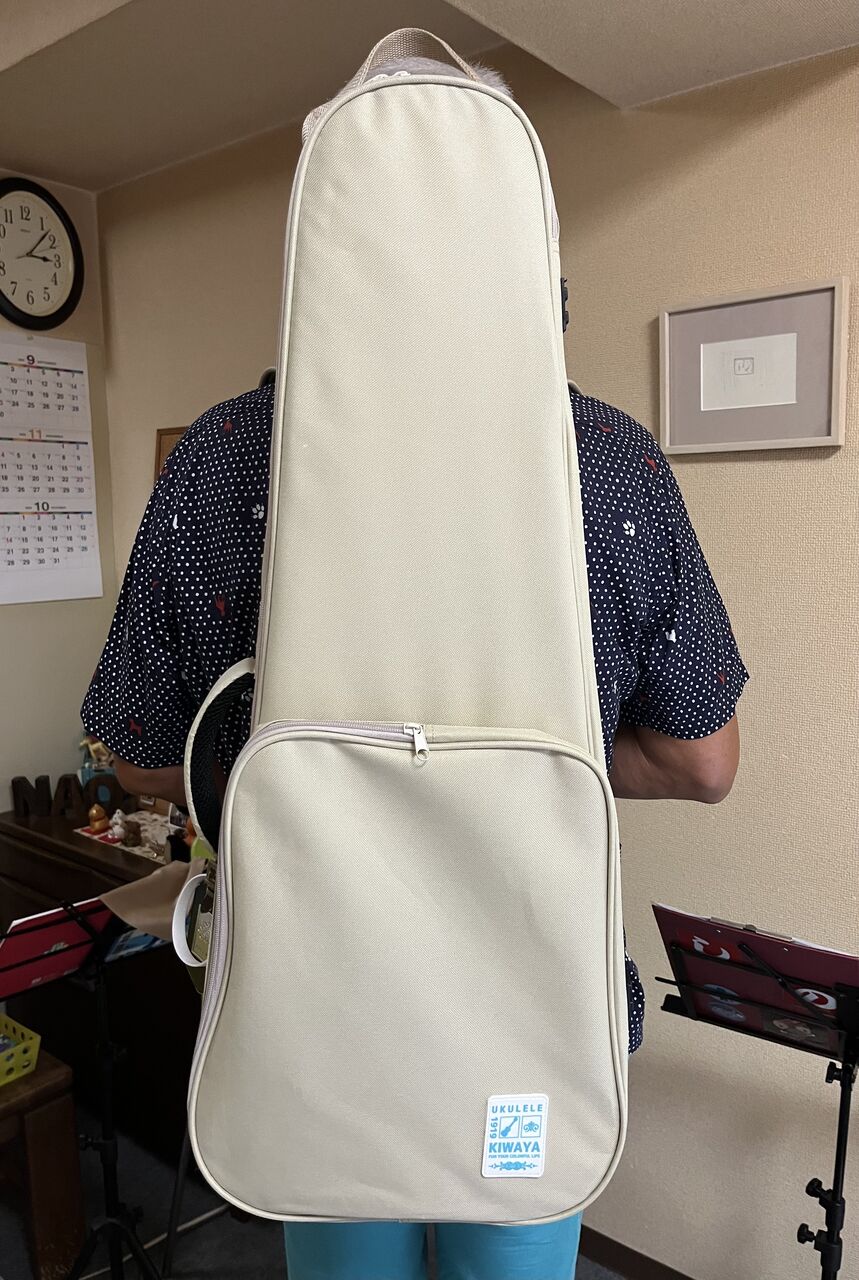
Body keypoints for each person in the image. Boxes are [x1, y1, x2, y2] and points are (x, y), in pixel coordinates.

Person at [82, 55, 747, 1280]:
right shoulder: (610, 462)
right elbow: (703, 761)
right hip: (532, 1011)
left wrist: (333, 769)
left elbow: (135, 750)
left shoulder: (218, 460)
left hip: (318, 1013)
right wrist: (497, 760)